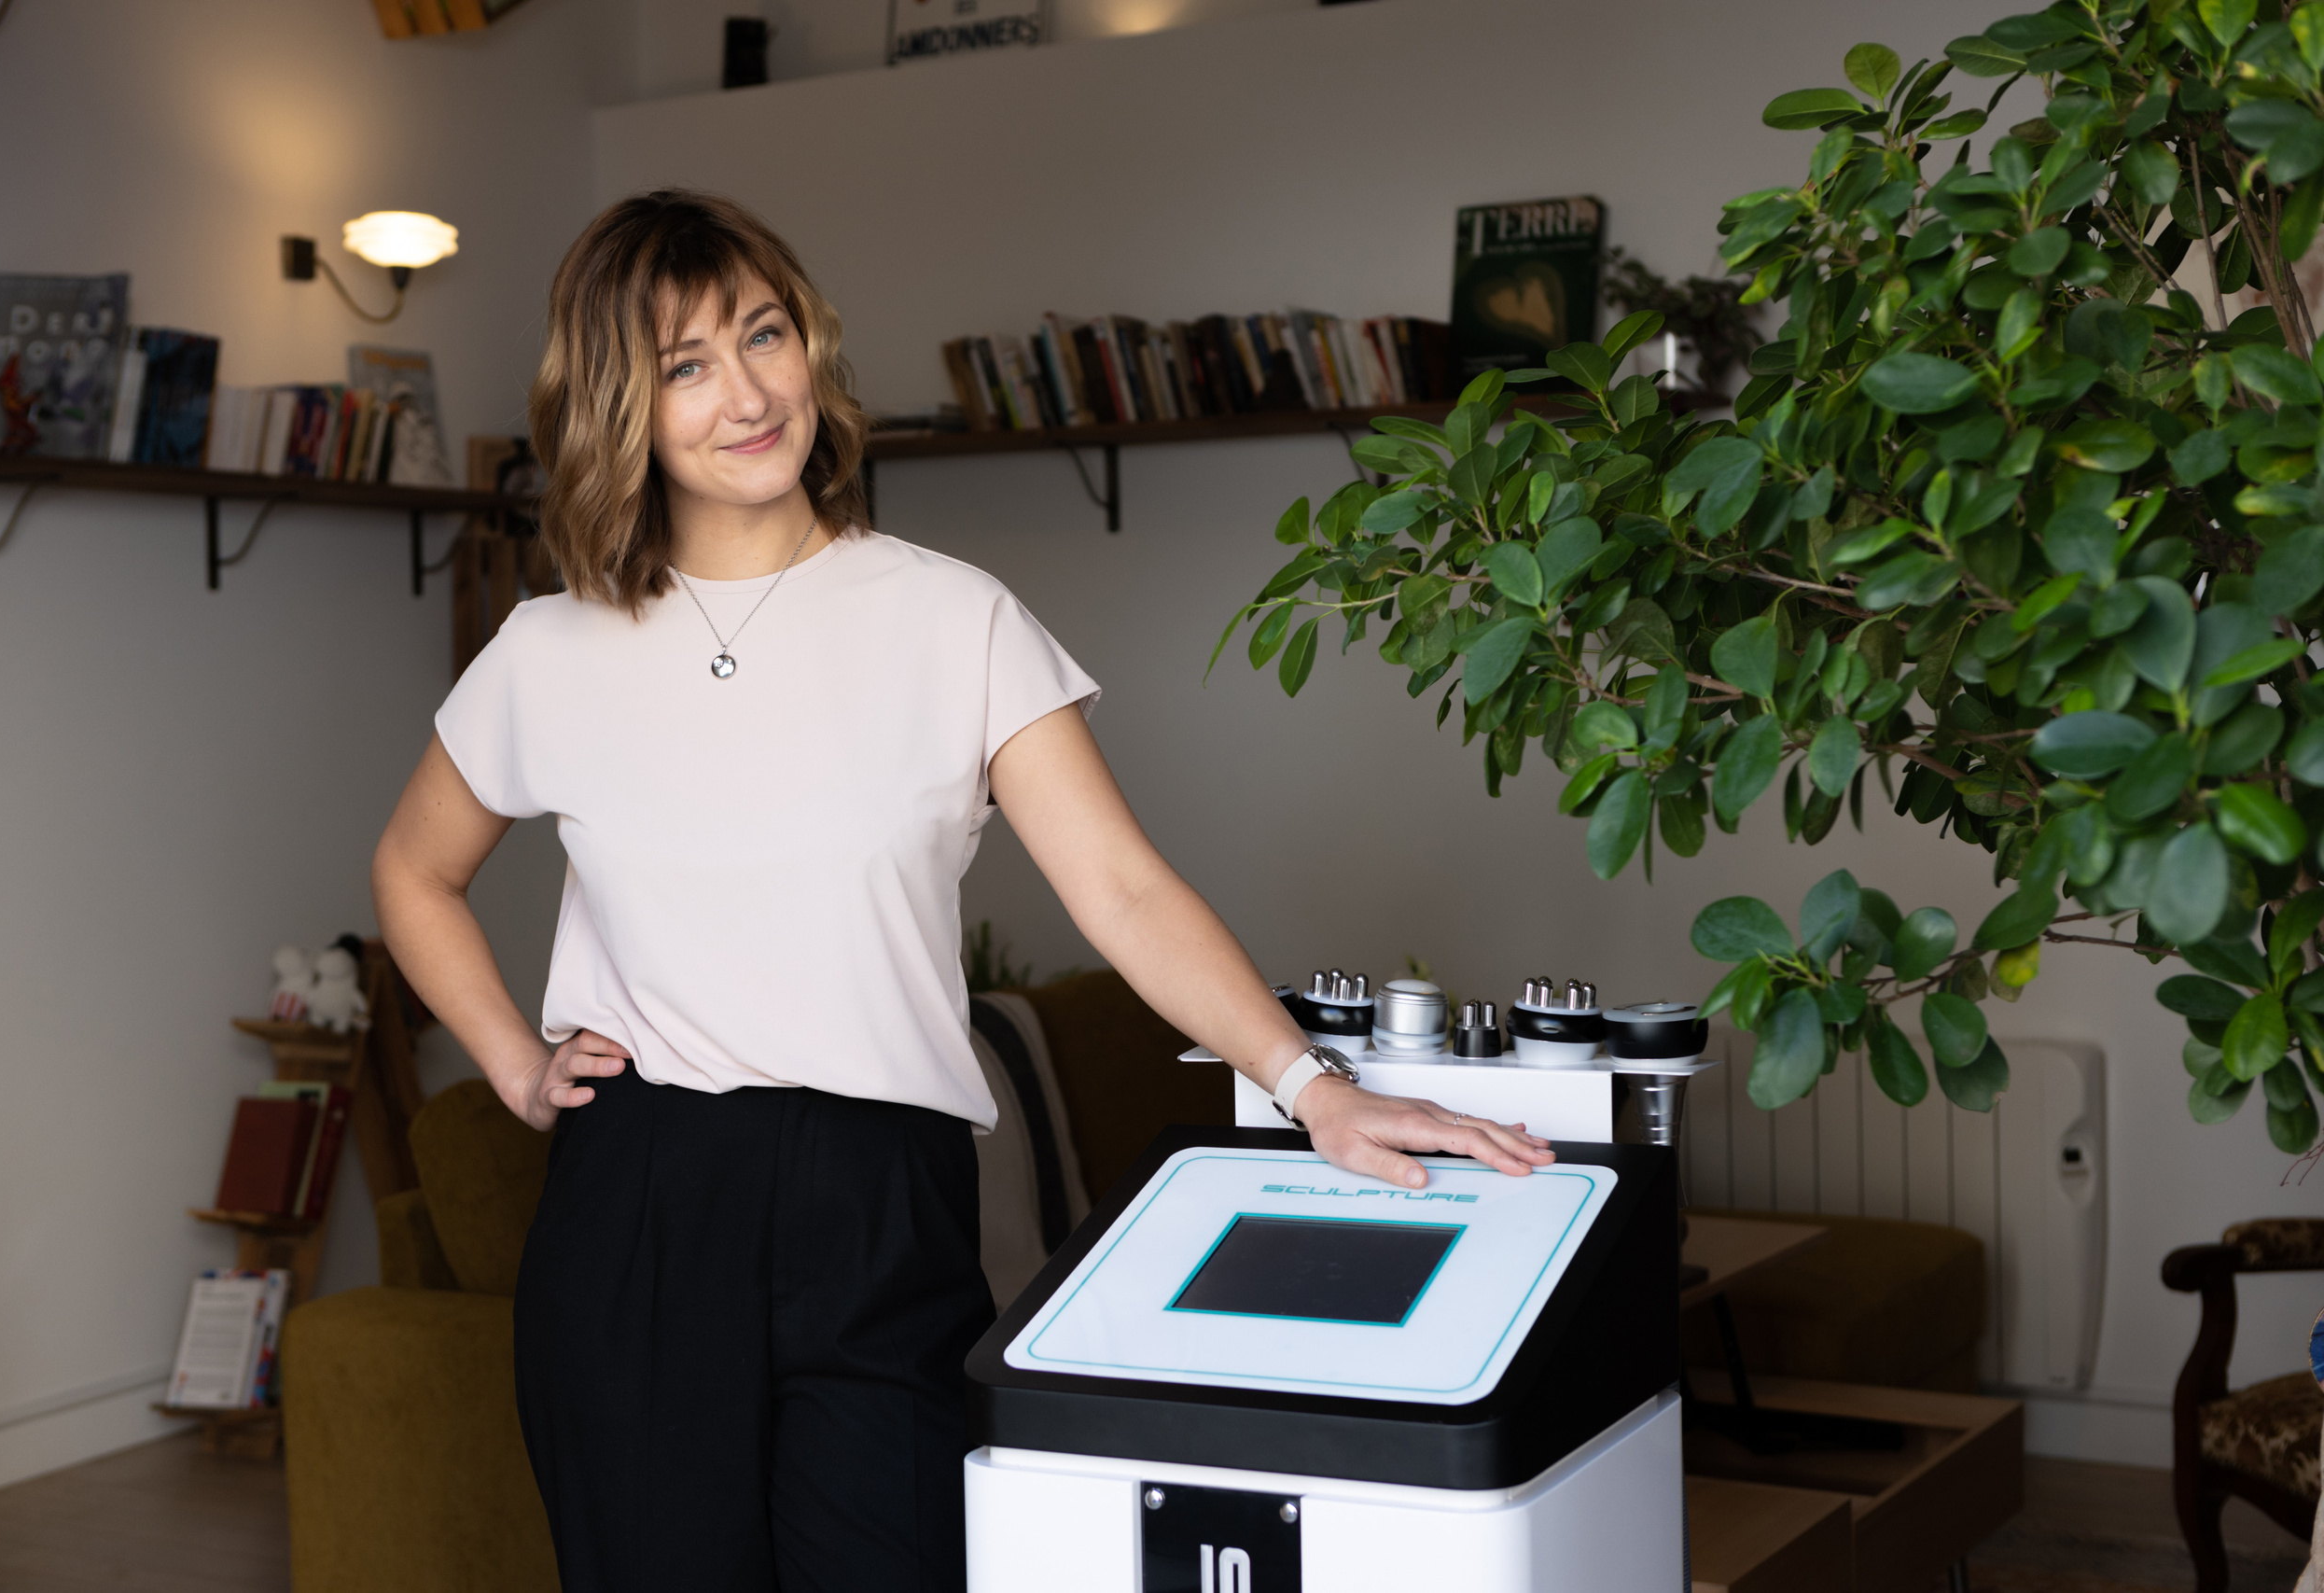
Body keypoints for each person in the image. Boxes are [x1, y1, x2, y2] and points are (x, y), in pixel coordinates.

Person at [369, 189, 1552, 1593]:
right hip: (642, 1201)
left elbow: (1121, 888)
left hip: (883, 1204)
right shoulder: (551, 647)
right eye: (687, 364)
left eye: (763, 336)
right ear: (624, 404)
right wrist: (511, 1062)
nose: (747, 393)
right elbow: (414, 868)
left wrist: (1315, 1088)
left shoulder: (952, 616)